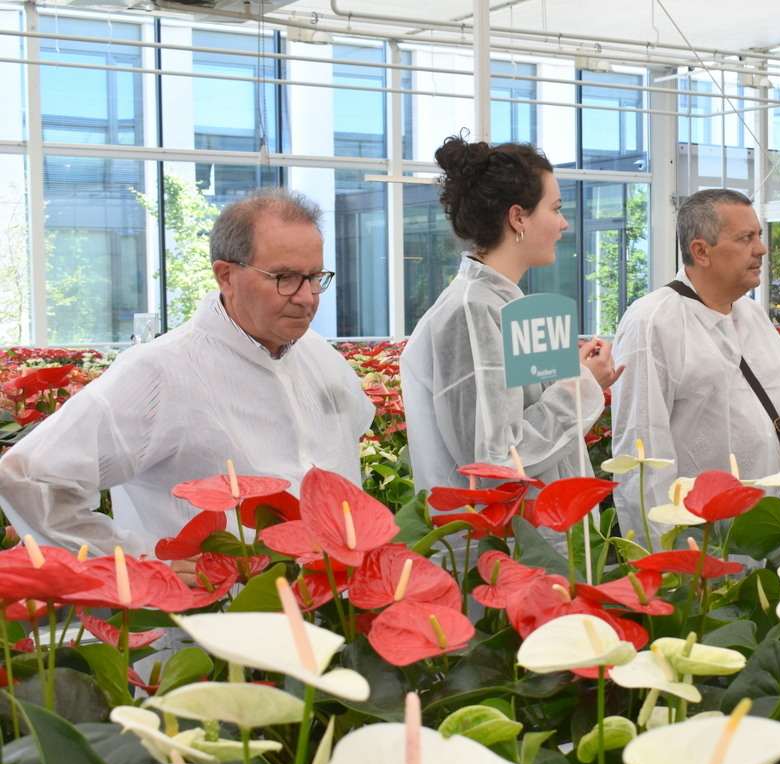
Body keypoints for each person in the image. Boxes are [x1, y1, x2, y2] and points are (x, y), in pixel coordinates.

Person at [0, 187, 373, 564]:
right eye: (285, 277)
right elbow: (28, 477)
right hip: (221, 599)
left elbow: (350, 436)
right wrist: (140, 563)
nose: (307, 297)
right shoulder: (161, 371)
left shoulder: (320, 355)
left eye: (314, 276)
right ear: (226, 276)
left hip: (336, 590)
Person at [401, 136, 621, 494]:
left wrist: (573, 376)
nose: (564, 223)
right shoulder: (471, 311)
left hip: (539, 520)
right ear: (518, 217)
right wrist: (582, 386)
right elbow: (497, 458)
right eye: (556, 209)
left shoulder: (502, 304)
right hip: (505, 526)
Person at [611, 189, 780, 539]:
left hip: (765, 530)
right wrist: (665, 556)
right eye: (746, 238)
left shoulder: (754, 315)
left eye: (759, 235)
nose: (761, 249)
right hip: (697, 542)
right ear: (701, 251)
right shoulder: (653, 322)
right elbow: (641, 454)